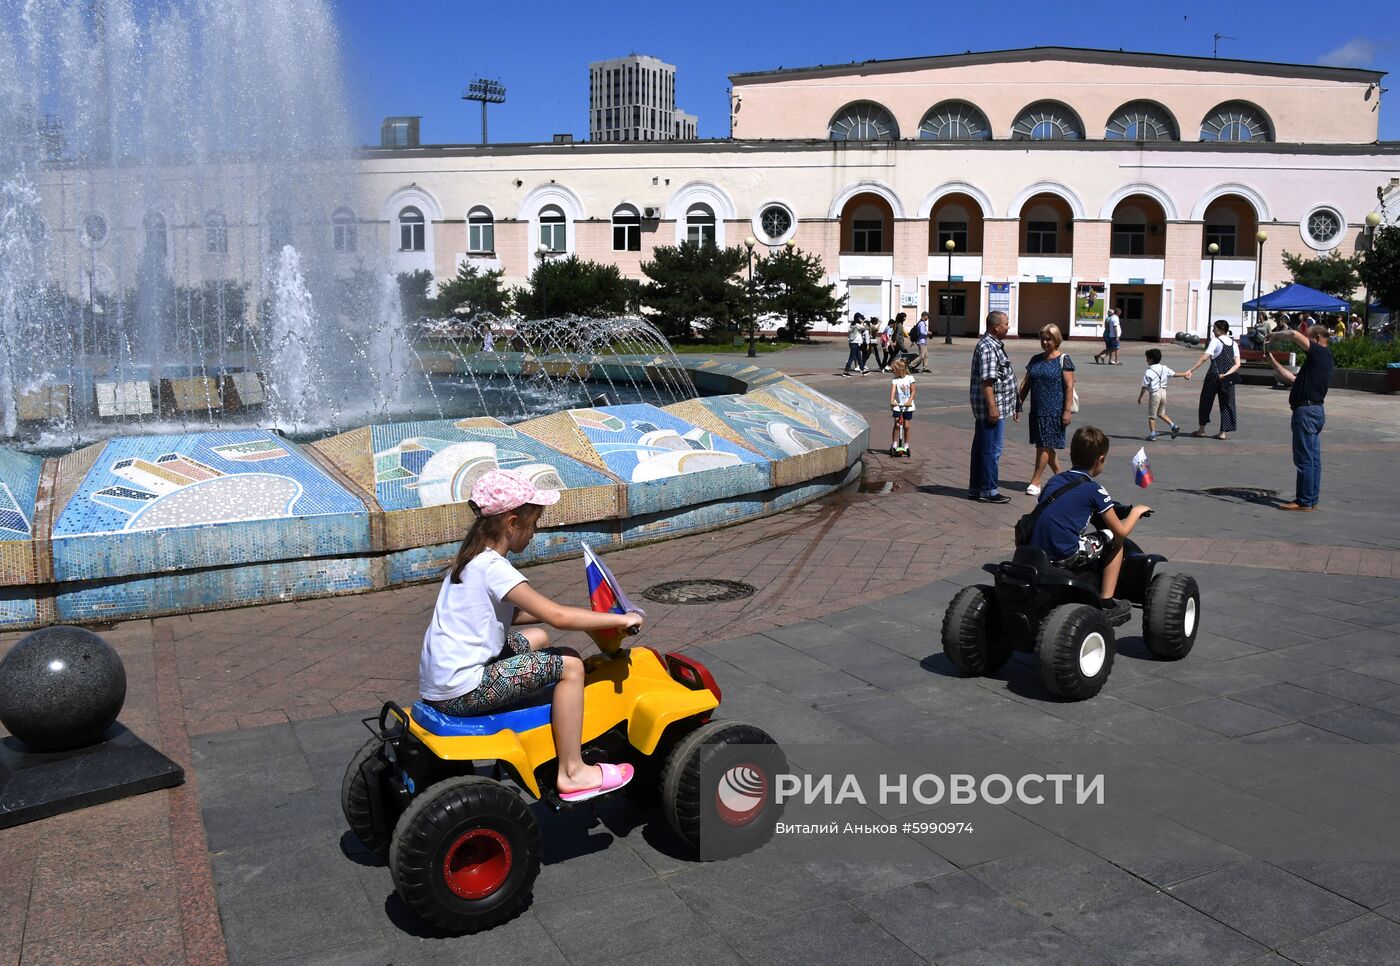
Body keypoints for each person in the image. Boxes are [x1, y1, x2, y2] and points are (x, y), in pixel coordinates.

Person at [419, 469, 643, 801]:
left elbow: (531, 616)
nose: (534, 533)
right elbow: (556, 615)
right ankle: (572, 771)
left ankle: (547, 723)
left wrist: (583, 618)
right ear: (512, 524)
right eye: (532, 524)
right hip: (463, 688)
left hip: (442, 679)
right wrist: (621, 619)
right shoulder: (495, 568)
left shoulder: (470, 559)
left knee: (537, 636)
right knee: (570, 664)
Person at [1028, 426, 1151, 622]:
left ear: (1071, 453)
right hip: (1065, 554)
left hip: (1038, 551)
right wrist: (1136, 512)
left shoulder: (1055, 480)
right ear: (1101, 459)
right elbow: (1121, 531)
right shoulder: (1094, 489)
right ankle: (1107, 603)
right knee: (1115, 541)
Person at [1265, 321, 1334, 511]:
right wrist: (1273, 362)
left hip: (1306, 411)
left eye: (1309, 338)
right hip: (1314, 410)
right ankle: (1311, 498)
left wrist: (1275, 335)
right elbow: (1293, 379)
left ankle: (1304, 500)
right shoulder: (1321, 359)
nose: (1306, 344)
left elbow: (1295, 335)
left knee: (1304, 457)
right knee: (1313, 458)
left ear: (1317, 339)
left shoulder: (1319, 352)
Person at [1017, 323, 1075, 496]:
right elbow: (1026, 383)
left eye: (1048, 339)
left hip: (1054, 410)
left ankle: (1036, 481)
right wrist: (1018, 403)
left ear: (1056, 339)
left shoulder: (1063, 359)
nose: (1045, 342)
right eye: (1042, 339)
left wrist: (1067, 410)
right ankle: (1062, 478)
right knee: (1045, 445)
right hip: (1036, 409)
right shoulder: (1036, 359)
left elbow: (1069, 386)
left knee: (1043, 445)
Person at [968, 310, 1019, 503]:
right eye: (1006, 323)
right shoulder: (989, 347)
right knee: (990, 450)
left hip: (994, 407)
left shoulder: (992, 344)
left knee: (982, 448)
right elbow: (987, 380)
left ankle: (976, 488)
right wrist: (993, 407)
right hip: (991, 410)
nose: (1008, 326)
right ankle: (988, 490)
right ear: (995, 326)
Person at [1185, 319, 1241, 439]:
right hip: (1228, 378)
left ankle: (1201, 430)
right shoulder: (1234, 343)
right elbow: (1237, 364)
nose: (1213, 330)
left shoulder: (1215, 341)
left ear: (1220, 329)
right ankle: (1223, 432)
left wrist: (1191, 369)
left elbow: (1205, 358)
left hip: (1214, 375)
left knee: (1206, 400)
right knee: (1227, 403)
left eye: (1214, 328)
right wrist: (1227, 374)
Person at [1137, 348, 1190, 440]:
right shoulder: (1164, 368)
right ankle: (1173, 426)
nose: (1146, 360)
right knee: (1161, 413)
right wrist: (1185, 374)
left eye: (1147, 358)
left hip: (1155, 394)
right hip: (1163, 393)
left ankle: (1153, 434)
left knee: (1151, 416)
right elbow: (1174, 374)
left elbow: (1144, 386)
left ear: (1151, 359)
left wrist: (1140, 397)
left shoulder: (1149, 371)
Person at [888, 358, 916, 455]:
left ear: (900, 370)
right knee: (896, 424)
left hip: (907, 406)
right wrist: (892, 401)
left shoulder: (910, 378)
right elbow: (893, 391)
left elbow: (913, 391)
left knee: (906, 426)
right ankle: (894, 444)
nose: (893, 372)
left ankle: (906, 445)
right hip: (898, 405)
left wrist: (909, 401)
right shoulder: (895, 380)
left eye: (894, 370)